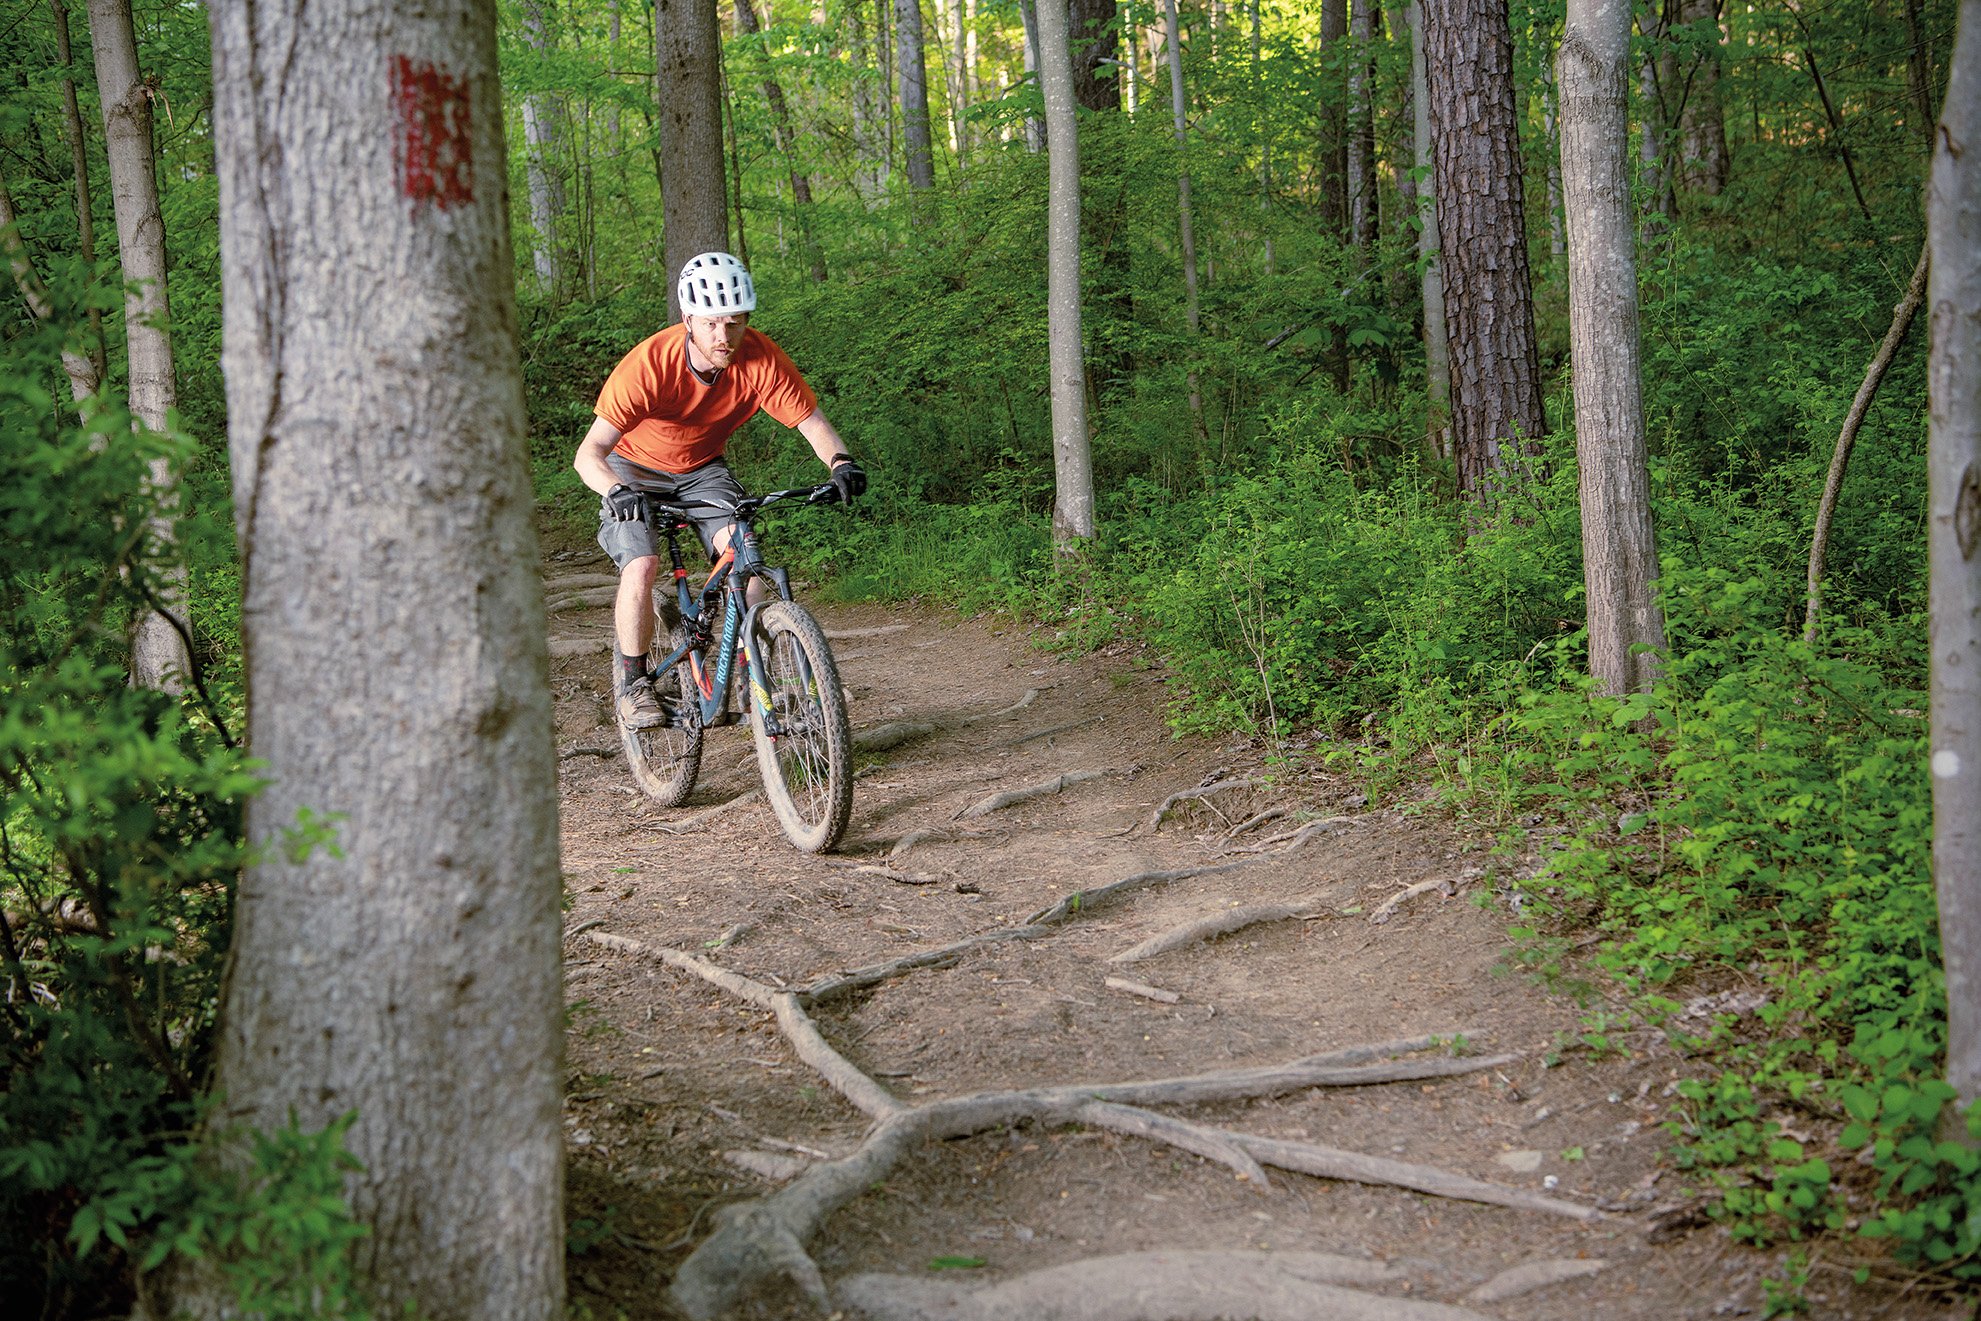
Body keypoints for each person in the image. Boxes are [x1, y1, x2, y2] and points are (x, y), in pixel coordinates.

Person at [574, 252, 866, 730]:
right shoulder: (648, 366)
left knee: (743, 554)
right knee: (643, 564)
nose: (723, 336)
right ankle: (634, 685)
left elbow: (810, 422)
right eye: (712, 324)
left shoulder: (759, 358)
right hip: (631, 469)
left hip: (701, 467)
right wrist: (617, 491)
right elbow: (589, 455)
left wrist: (840, 462)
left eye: (735, 324)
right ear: (689, 319)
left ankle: (759, 677)